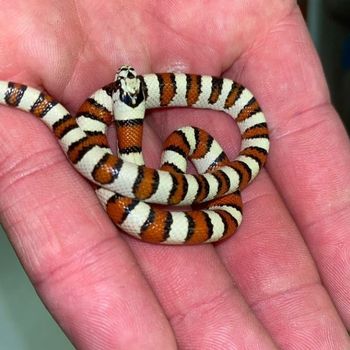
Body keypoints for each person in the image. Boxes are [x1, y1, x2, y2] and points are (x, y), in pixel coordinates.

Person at [0, 1, 349, 349]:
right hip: (176, 172)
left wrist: (184, 180)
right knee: (164, 159)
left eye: (127, 87)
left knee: (174, 151)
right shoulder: (130, 146)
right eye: (126, 87)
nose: (124, 79)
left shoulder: (138, 150)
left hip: (183, 169)